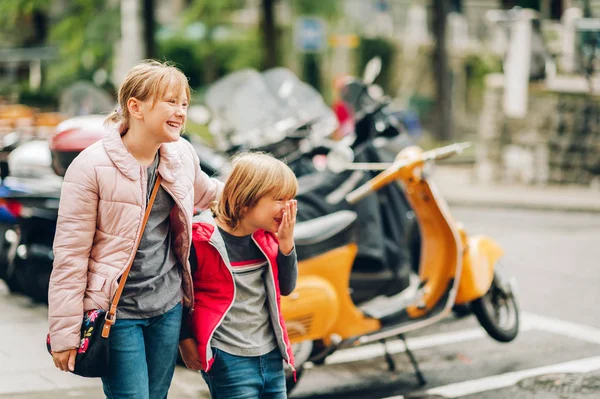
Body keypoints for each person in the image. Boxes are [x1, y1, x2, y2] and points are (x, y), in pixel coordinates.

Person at [47, 59, 223, 399]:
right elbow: (70, 256)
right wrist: (65, 335)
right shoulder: (91, 167)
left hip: (168, 308)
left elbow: (210, 194)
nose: (181, 111)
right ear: (135, 107)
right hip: (118, 314)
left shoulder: (182, 155)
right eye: (171, 101)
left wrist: (261, 191)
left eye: (184, 103)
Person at [179, 152, 298, 399]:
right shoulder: (201, 240)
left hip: (271, 355)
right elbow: (179, 293)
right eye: (278, 199)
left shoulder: (266, 238)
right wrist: (185, 340)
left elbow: (286, 287)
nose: (287, 207)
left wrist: (286, 244)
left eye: (291, 198)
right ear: (245, 200)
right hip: (229, 359)